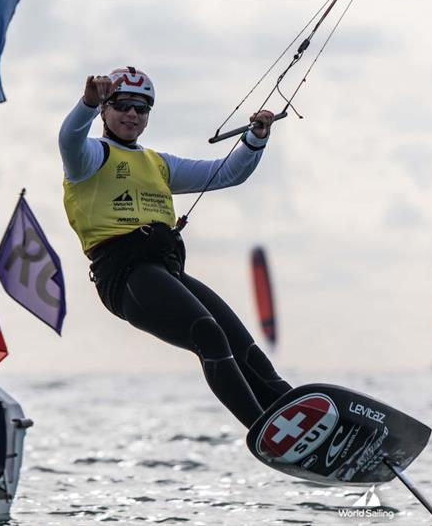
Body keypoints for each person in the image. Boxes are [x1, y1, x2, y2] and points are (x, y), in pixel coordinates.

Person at [59, 66, 291, 428]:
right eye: (122, 105)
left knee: (244, 347)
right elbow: (68, 138)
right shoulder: (89, 157)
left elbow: (226, 173)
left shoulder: (158, 164)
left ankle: (302, 417)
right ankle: (266, 430)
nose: (132, 114)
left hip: (166, 272)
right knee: (208, 335)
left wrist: (255, 139)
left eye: (142, 108)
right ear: (106, 110)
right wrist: (87, 103)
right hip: (125, 277)